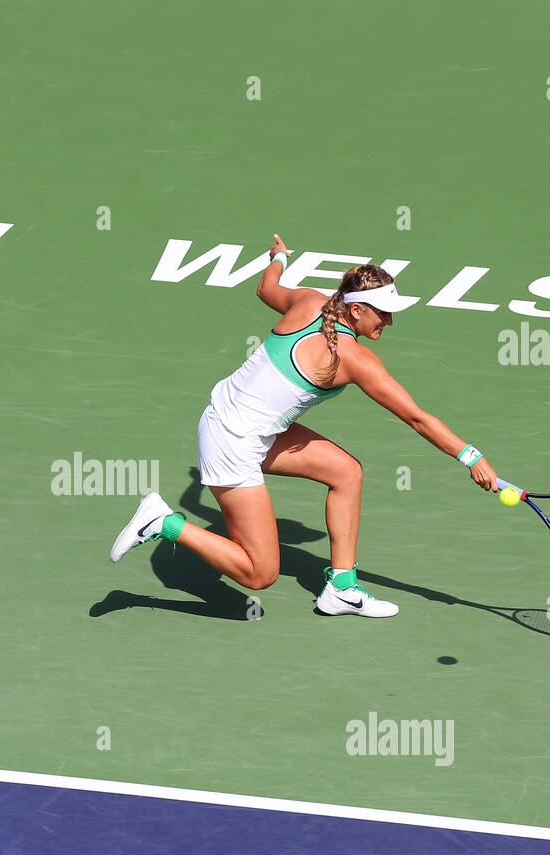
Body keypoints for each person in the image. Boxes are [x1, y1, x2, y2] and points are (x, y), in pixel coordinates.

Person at [110, 234, 497, 618]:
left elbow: (266, 288)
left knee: (346, 472)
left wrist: (278, 257)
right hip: (232, 441)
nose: (390, 321)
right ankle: (162, 522)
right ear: (357, 309)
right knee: (260, 574)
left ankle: (342, 590)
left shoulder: (311, 301)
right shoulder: (355, 359)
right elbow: (416, 417)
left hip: (237, 420)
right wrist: (470, 457)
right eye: (383, 312)